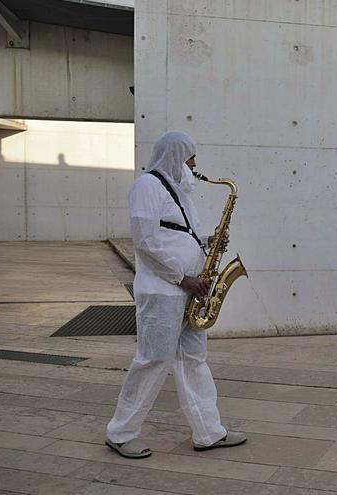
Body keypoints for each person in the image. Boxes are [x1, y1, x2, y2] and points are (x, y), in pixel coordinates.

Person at [105, 130, 246, 458]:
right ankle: (121, 433)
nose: (195, 164)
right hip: (164, 291)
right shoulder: (147, 187)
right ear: (174, 156)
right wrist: (182, 278)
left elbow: (176, 236)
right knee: (153, 360)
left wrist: (209, 244)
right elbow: (146, 241)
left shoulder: (180, 193)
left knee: (194, 360)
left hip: (188, 290)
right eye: (190, 157)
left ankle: (208, 431)